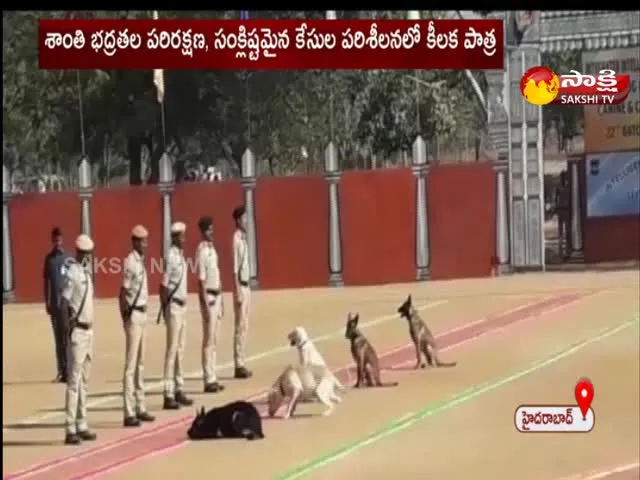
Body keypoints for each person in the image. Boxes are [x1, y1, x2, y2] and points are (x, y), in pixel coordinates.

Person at [60, 234, 97, 445]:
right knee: (74, 381)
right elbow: (64, 302)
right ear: (79, 252)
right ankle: (69, 426)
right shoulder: (73, 273)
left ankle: (81, 422)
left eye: (89, 254)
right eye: (85, 254)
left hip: (89, 331)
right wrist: (67, 330)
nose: (88, 257)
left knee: (84, 380)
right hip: (78, 332)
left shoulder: (86, 273)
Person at [120, 225, 155, 427]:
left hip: (143, 313)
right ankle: (129, 410)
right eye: (142, 241)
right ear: (134, 241)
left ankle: (140, 406)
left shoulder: (140, 262)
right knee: (131, 366)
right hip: (134, 314)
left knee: (140, 363)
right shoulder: (130, 262)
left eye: (146, 240)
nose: (145, 244)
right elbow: (123, 292)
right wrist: (125, 318)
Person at [160, 221, 194, 410]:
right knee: (172, 350)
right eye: (181, 236)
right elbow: (164, 285)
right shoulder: (171, 257)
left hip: (182, 306)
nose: (184, 239)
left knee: (180, 349)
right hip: (174, 307)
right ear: (175, 238)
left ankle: (179, 387)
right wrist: (166, 310)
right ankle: (168, 392)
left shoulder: (179, 256)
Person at [196, 216, 226, 393]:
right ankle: (208, 378)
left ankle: (213, 375)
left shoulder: (212, 250)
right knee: (208, 340)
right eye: (208, 229)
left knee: (214, 339)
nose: (212, 232)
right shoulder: (201, 251)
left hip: (217, 296)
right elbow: (200, 281)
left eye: (212, 228)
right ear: (202, 231)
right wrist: (205, 306)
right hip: (209, 298)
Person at [43, 227, 70, 383]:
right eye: (55, 240)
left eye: (59, 240)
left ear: (62, 240)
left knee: (67, 338)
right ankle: (61, 370)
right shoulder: (49, 260)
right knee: (58, 339)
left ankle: (69, 370)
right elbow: (46, 282)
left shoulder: (67, 259)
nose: (57, 242)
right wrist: (47, 301)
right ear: (52, 241)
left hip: (65, 306)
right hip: (54, 305)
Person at [232, 205, 252, 379]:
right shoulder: (236, 239)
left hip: (247, 285)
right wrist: (237, 290)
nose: (246, 221)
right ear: (238, 220)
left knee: (245, 325)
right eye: (244, 218)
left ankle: (242, 361)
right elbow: (234, 268)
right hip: (241, 286)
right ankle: (239, 364)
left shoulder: (244, 238)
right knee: (240, 326)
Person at [555, 170, 571, 260]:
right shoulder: (562, 188)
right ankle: (561, 250)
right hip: (563, 209)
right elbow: (556, 199)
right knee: (561, 232)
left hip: (565, 209)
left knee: (566, 231)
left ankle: (566, 250)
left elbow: (556, 199)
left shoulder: (565, 187)